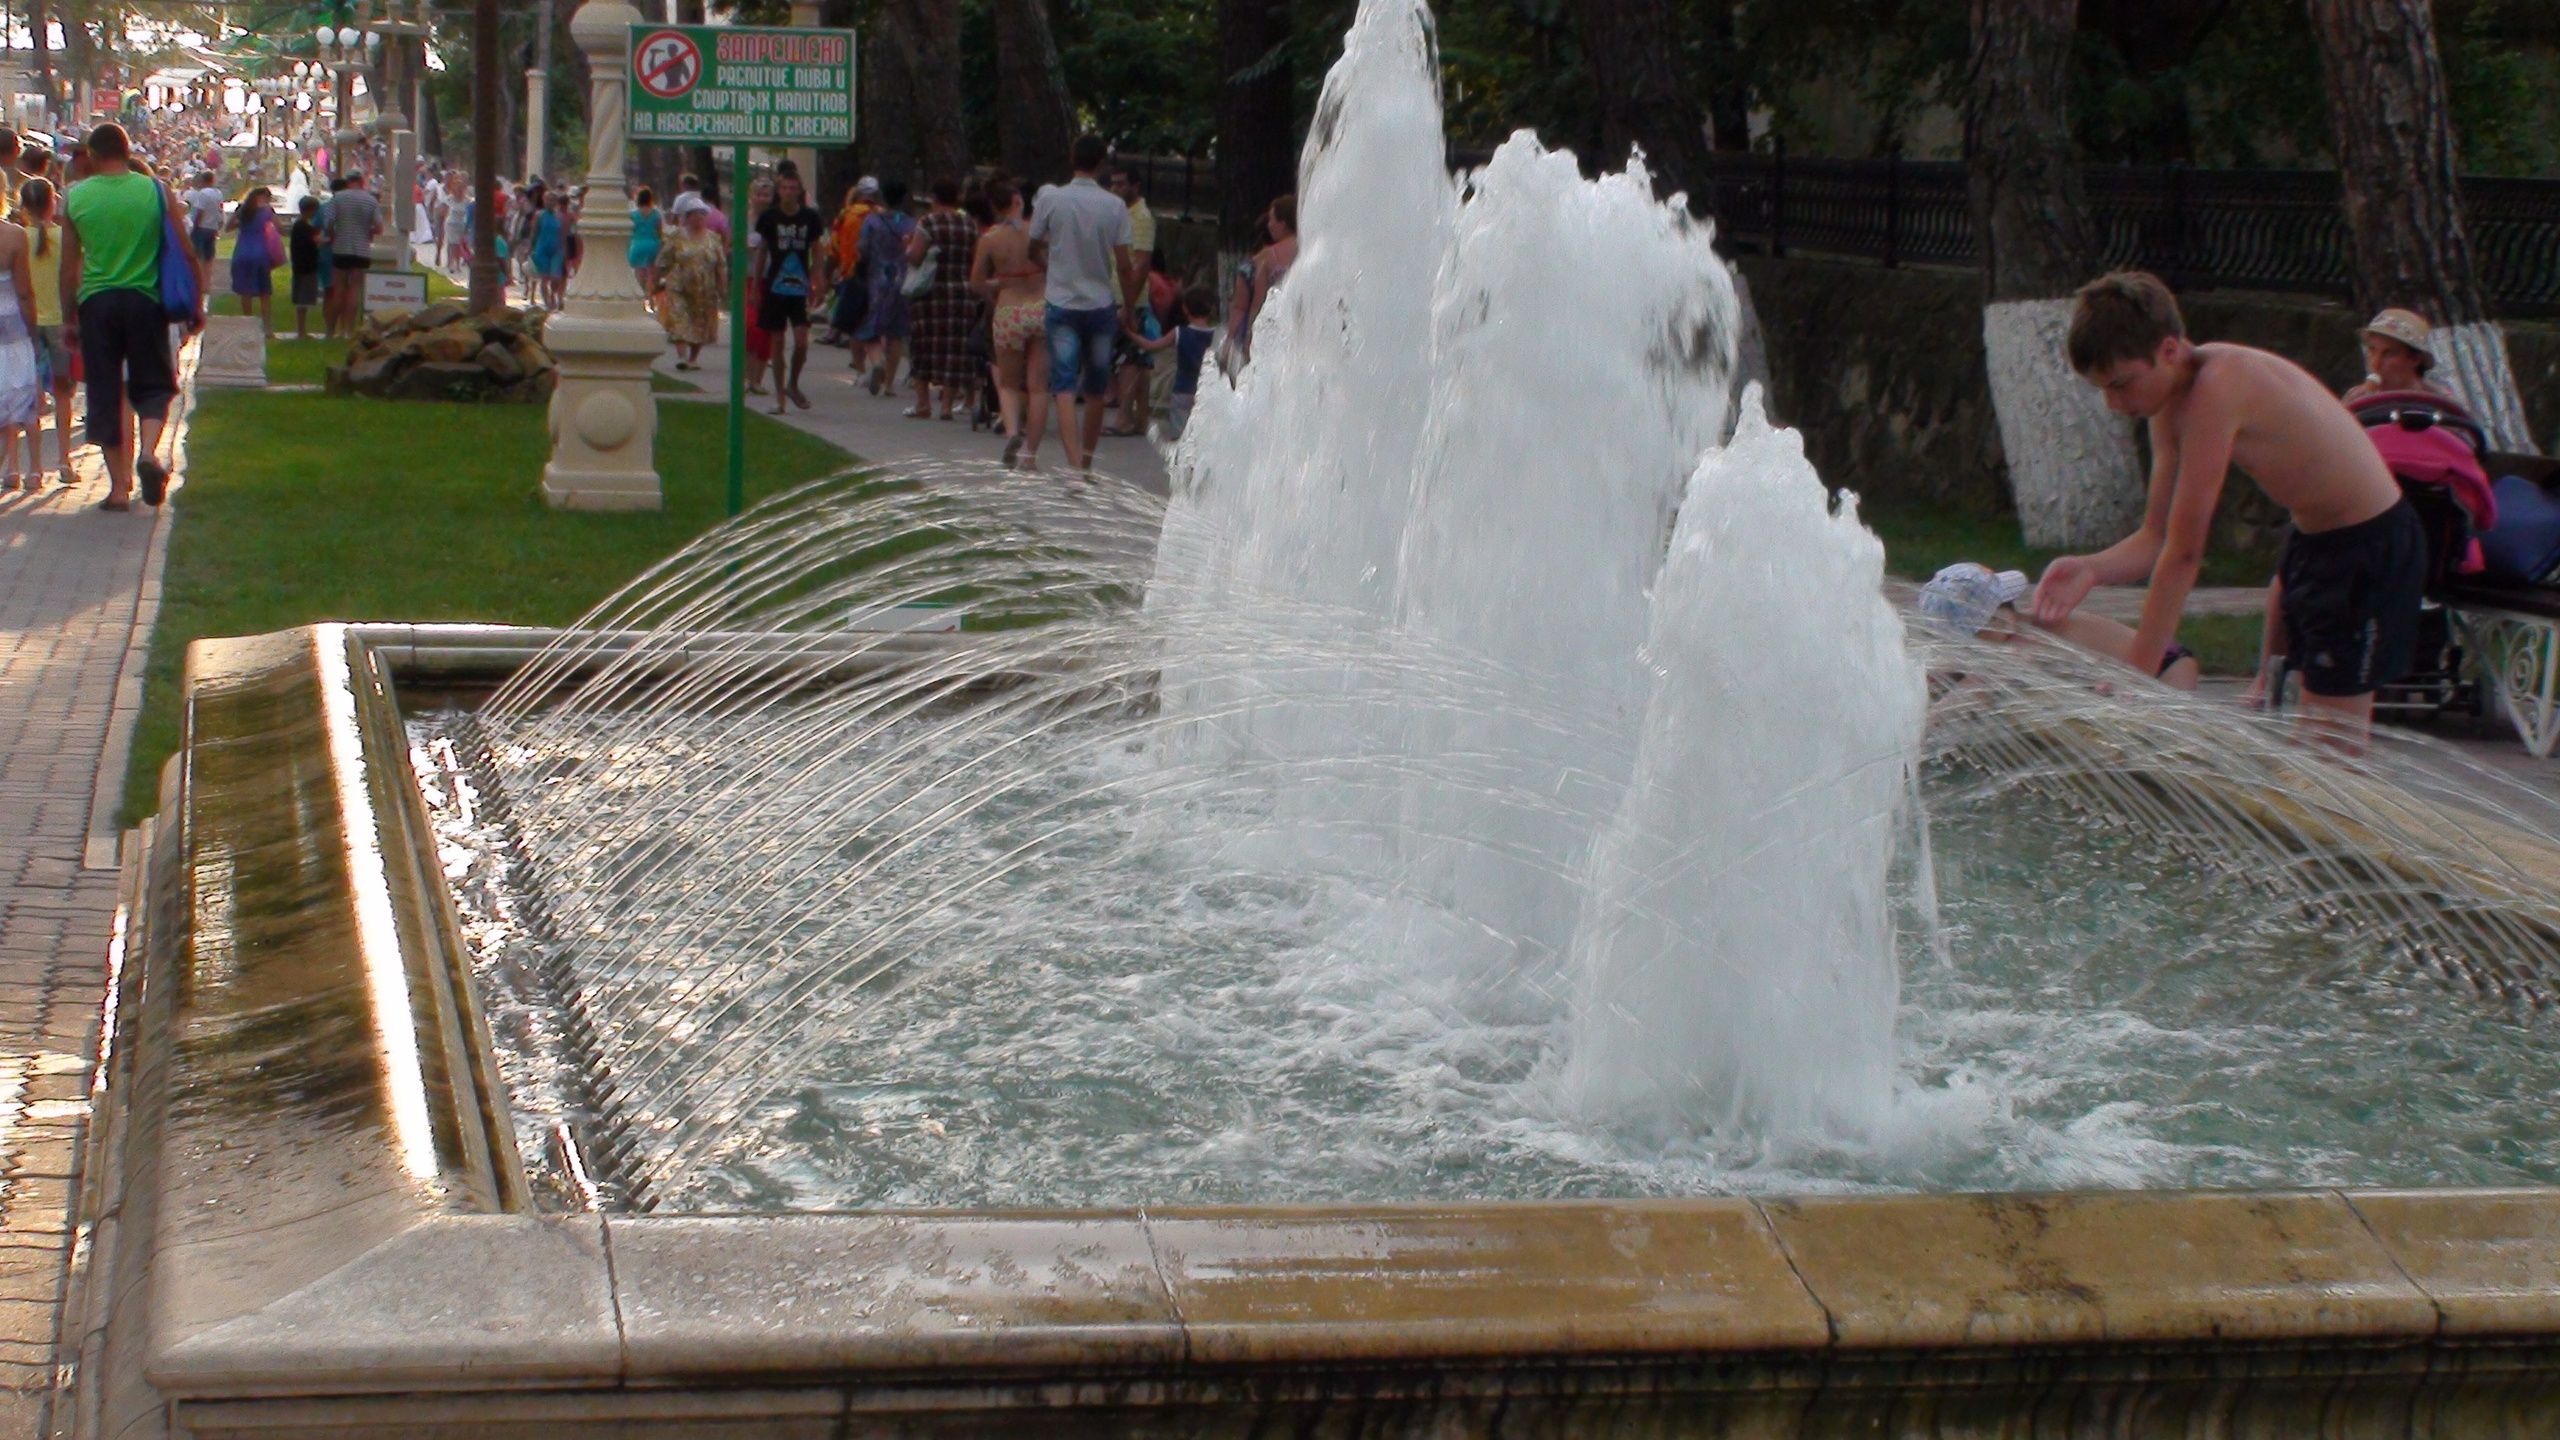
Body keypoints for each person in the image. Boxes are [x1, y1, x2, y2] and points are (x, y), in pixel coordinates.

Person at [2041, 271, 2420, 750]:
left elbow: (2185, 553)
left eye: (2121, 384)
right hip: (2315, 544)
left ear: (2168, 350)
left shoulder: (2220, 386)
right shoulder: (2169, 405)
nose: (2114, 404)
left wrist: (2136, 676)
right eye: (2104, 390)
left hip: (2369, 546)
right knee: (2310, 740)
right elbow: (2155, 537)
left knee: (2334, 744)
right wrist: (2092, 569)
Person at [60, 122, 202, 511]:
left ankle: (118, 490)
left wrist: (69, 317)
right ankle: (149, 454)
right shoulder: (156, 190)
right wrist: (195, 304)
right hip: (145, 300)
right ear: (127, 151)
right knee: (153, 383)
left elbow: (68, 265)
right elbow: (186, 250)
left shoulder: (75, 197)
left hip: (97, 304)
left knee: (106, 391)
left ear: (92, 155)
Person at [1919, 561, 2201, 691]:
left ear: (1997, 624)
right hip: (2133, 671)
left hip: (2166, 667)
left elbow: (1978, 689)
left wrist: (1929, 726)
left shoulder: (2024, 644)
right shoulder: (2006, 633)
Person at [1025, 137, 1133, 473]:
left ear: (1072, 158)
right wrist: (1129, 305)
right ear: (1102, 164)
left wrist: (1051, 268)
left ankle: (1074, 466)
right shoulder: (1115, 206)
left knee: (1064, 385)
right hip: (1101, 303)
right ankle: (1086, 460)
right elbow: (1124, 264)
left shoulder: (1052, 199)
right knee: (1097, 388)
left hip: (1062, 301)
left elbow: (1032, 247)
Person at [969, 179, 1048, 465]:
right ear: (1018, 201)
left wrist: (996, 286)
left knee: (1008, 383)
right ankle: (1031, 452)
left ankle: (1012, 431)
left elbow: (976, 283)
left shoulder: (990, 239)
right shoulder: (1038, 233)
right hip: (1040, 306)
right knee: (1038, 386)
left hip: (1009, 310)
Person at [905, 176, 979, 422]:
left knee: (923, 345)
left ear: (933, 198)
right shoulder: (968, 225)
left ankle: (923, 403)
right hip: (961, 293)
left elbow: (915, 257)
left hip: (931, 293)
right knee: (953, 349)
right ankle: (946, 406)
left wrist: (907, 247)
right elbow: (975, 259)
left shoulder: (928, 223)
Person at [754, 161, 826, 413]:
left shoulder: (809, 218)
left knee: (802, 341)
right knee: (776, 342)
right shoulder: (770, 218)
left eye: (793, 188)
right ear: (779, 190)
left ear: (799, 191)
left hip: (799, 288)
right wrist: (755, 287)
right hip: (775, 286)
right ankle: (779, 398)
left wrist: (818, 279)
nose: (788, 192)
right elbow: (762, 251)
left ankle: (792, 383)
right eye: (784, 187)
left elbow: (817, 250)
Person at [18, 177, 75, 490]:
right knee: (64, 394)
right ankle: (64, 460)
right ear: (53, 202)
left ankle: (34, 468)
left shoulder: (18, 237)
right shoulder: (65, 238)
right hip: (60, 321)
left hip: (27, 322)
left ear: (23, 206)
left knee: (32, 396)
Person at [1126, 284, 1218, 442]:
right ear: (1210, 310)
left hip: (1182, 390)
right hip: (1207, 391)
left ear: (1185, 309)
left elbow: (1152, 346)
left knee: (1180, 435)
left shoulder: (1179, 332)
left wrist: (1129, 333)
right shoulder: (1217, 335)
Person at [1104, 166, 1156, 436]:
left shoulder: (1141, 217)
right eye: (1112, 183)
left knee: (1128, 359)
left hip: (1129, 296)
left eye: (1121, 183)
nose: (1115, 189)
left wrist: (1129, 302)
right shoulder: (1118, 213)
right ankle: (1140, 415)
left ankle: (1124, 417)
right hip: (1114, 292)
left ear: (1135, 186)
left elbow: (1142, 262)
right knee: (1135, 358)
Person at [855, 177, 915, 396]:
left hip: (877, 280)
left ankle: (876, 362)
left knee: (870, 329)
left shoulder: (872, 221)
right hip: (902, 280)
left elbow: (862, 249)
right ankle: (889, 384)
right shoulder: (911, 224)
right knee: (896, 334)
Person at [0, 187, 41, 493]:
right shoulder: (15, 235)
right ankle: (29, 468)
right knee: (20, 398)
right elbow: (24, 290)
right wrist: (33, 330)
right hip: (12, 325)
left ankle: (11, 468)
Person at [1229, 194, 1296, 368]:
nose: (1269, 225)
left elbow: (1258, 304)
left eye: (1271, 219)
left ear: (1283, 224)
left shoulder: (1268, 256)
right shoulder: (1313, 248)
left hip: (1274, 329)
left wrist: (1249, 340)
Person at [656, 197, 723, 370]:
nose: (698, 217)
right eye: (694, 214)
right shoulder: (677, 237)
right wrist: (657, 279)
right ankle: (682, 356)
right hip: (678, 286)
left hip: (705, 289)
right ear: (687, 216)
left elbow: (721, 264)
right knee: (679, 318)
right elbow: (664, 260)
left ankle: (693, 358)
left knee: (699, 323)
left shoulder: (713, 239)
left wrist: (722, 286)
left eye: (702, 214)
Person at [2342, 308, 2446, 403]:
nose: (2375, 364)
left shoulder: (2439, 402)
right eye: (2372, 349)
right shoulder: (2357, 400)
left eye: (2388, 353)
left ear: (2415, 359)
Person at [824, 177, 878, 345]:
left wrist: (827, 273)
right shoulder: (881, 215)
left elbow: (834, 246)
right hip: (875, 271)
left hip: (850, 269)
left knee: (846, 302)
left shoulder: (846, 214)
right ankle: (849, 335)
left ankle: (839, 332)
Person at [325, 172, 378, 337]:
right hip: (361, 251)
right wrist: (368, 233)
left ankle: (331, 331)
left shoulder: (338, 198)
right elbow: (379, 227)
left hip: (341, 248)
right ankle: (348, 330)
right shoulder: (370, 200)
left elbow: (328, 224)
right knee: (353, 290)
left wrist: (333, 236)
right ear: (361, 182)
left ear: (348, 182)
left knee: (338, 289)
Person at [226, 186, 284, 332]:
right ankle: (267, 328)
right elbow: (280, 229)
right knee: (264, 293)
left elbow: (228, 227)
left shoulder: (243, 210)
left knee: (246, 293)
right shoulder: (267, 211)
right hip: (261, 253)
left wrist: (242, 224)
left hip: (242, 252)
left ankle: (248, 325)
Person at [288, 194, 322, 338]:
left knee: (302, 299)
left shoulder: (297, 225)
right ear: (310, 210)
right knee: (304, 300)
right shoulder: (306, 227)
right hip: (307, 267)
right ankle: (302, 331)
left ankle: (301, 330)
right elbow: (317, 241)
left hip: (299, 266)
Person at [628, 184, 663, 303]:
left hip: (637, 244)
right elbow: (659, 232)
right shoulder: (656, 214)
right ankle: (650, 298)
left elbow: (630, 231)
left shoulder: (633, 215)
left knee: (639, 273)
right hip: (653, 244)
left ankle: (640, 297)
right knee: (651, 274)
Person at [182, 171, 224, 261]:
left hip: (202, 227)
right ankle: (207, 270)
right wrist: (220, 224)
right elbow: (220, 210)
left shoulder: (203, 193)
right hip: (213, 227)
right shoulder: (218, 193)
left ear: (203, 180)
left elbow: (199, 211)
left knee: (197, 254)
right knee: (209, 256)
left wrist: (195, 226)